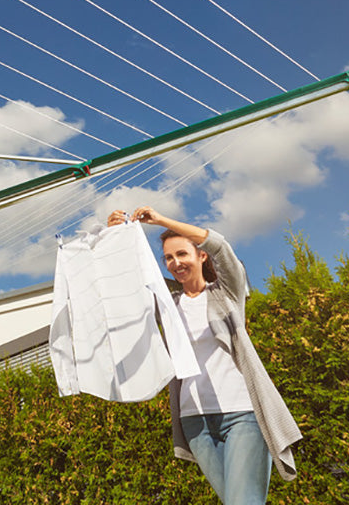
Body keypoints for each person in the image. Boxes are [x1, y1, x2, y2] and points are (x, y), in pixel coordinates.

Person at [107, 206, 300, 505]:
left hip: (241, 414)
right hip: (194, 421)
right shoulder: (168, 306)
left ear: (201, 256)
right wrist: (115, 237)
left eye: (182, 254)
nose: (175, 263)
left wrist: (160, 221)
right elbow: (127, 291)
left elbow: (220, 245)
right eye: (168, 258)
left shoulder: (226, 293)